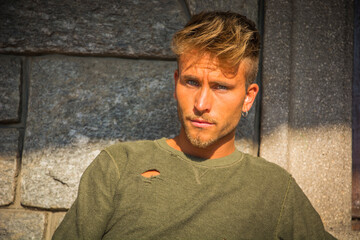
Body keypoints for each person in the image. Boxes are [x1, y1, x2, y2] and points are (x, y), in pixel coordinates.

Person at [53, 11, 336, 240]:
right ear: (175, 81)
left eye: (221, 87)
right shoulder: (119, 165)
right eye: (191, 82)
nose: (201, 103)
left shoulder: (276, 190)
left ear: (248, 98)